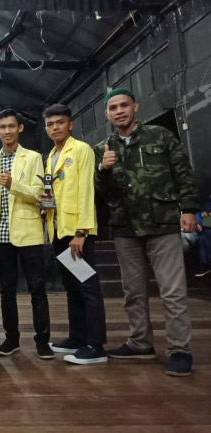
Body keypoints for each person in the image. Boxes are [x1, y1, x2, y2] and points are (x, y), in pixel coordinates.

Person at [94, 88, 199, 376]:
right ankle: (140, 342)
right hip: (125, 228)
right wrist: (103, 170)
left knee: (173, 291)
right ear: (107, 114)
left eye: (124, 105)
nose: (119, 111)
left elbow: (182, 172)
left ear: (135, 107)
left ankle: (179, 349)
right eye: (113, 108)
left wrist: (189, 208)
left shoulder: (160, 136)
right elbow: (101, 193)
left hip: (162, 223)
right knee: (133, 292)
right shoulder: (103, 148)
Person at [0, 109, 54, 360]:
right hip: (0, 236)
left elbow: (39, 193)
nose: (7, 131)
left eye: (11, 126)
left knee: (37, 289)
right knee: (7, 290)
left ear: (20, 128)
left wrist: (14, 185)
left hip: (28, 233)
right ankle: (11, 339)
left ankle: (43, 341)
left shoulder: (33, 158)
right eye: (2, 127)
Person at [42, 104, 108, 365]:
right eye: (50, 124)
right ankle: (77, 337)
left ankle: (96, 345)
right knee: (71, 286)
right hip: (58, 229)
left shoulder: (81, 150)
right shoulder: (51, 155)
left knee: (87, 285)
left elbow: (86, 192)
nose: (55, 127)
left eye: (60, 122)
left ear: (70, 125)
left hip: (77, 232)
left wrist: (82, 232)